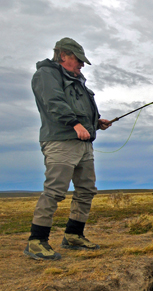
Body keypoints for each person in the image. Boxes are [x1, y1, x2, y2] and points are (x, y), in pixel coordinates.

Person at [24, 37, 112, 260]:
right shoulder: (46, 74)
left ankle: (73, 235)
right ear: (63, 55)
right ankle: (36, 242)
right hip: (61, 141)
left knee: (86, 190)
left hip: (83, 144)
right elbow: (53, 103)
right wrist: (75, 124)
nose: (82, 65)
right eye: (78, 59)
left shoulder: (78, 81)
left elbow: (79, 109)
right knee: (55, 191)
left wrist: (95, 123)